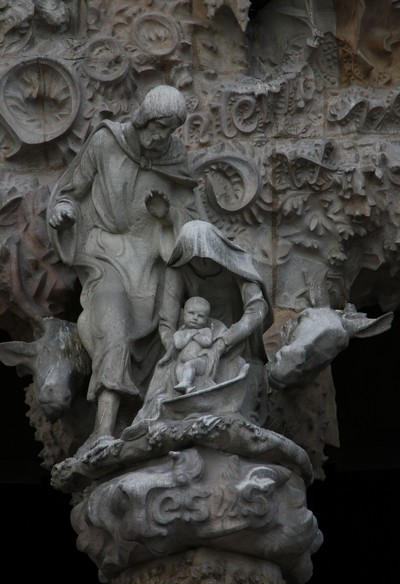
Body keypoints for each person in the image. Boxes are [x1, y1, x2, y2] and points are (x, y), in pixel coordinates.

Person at [47, 85, 198, 450]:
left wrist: (168, 216)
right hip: (105, 256)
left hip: (150, 263)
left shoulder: (175, 157)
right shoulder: (105, 142)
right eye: (159, 127)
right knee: (113, 326)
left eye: (170, 130)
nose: (162, 137)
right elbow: (71, 191)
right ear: (144, 118)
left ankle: (149, 421)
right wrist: (62, 210)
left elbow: (194, 219)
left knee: (168, 337)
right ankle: (102, 430)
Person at [122, 219, 274, 435]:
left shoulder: (237, 264)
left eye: (204, 256)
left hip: (236, 343)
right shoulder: (179, 270)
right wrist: (173, 346)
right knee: (165, 380)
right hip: (191, 343)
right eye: (193, 257)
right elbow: (166, 321)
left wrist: (223, 342)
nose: (200, 263)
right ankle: (150, 425)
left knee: (242, 406)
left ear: (215, 249)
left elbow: (257, 309)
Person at [173, 296, 216, 394]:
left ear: (206, 320)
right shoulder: (179, 333)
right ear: (184, 315)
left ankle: (186, 382)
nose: (195, 318)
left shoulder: (206, 331)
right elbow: (178, 345)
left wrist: (195, 334)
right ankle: (187, 388)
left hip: (201, 363)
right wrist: (190, 334)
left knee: (190, 364)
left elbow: (207, 342)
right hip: (182, 362)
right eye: (191, 313)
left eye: (200, 316)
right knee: (178, 369)